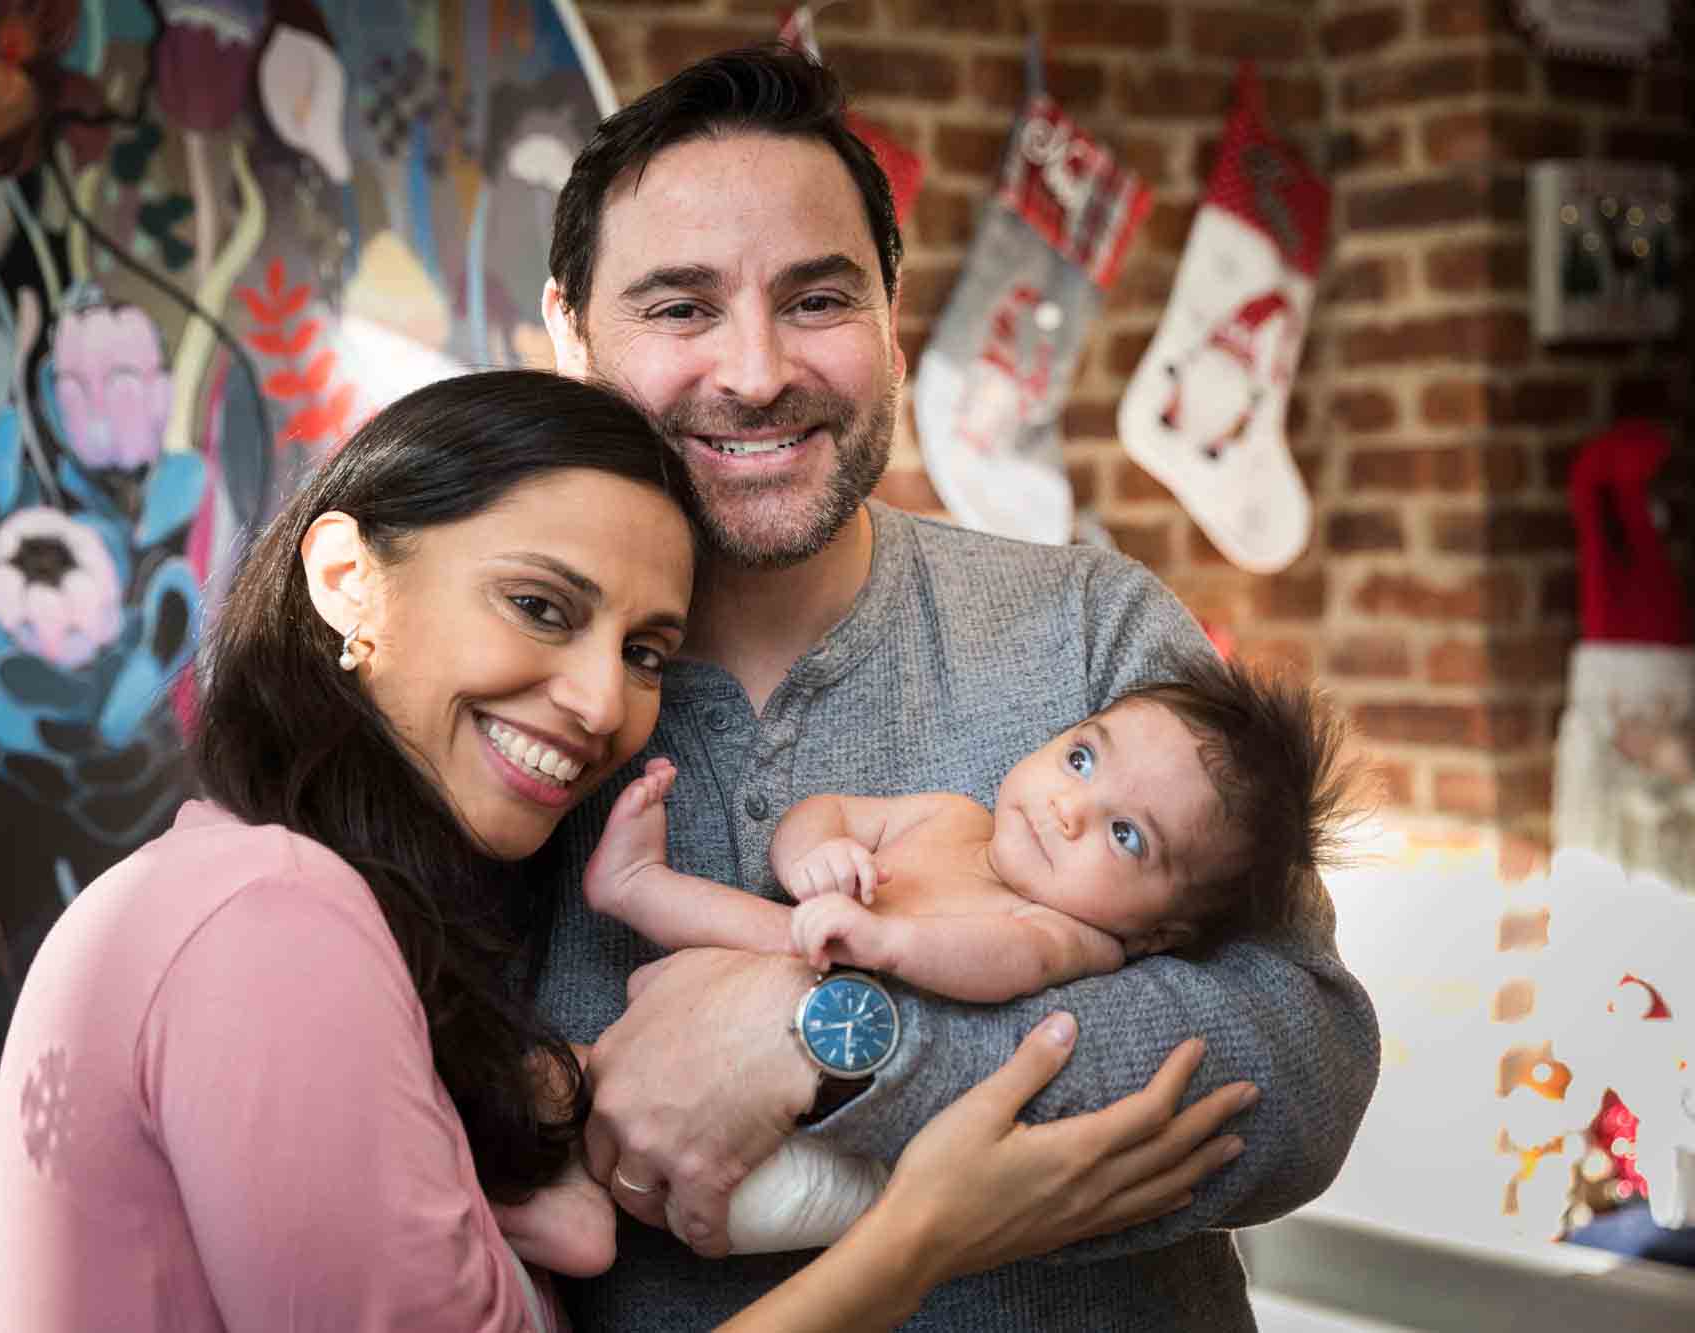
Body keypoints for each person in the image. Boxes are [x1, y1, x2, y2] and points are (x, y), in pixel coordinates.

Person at [0, 368, 1254, 1332]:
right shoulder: (272, 921)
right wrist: (922, 1232)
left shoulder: (306, 902)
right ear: (344, 578)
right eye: (539, 607)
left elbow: (1280, 1054)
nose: (601, 702)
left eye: (644, 651)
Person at [529, 43, 1383, 1330]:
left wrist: (821, 1037)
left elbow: (1295, 1065)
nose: (756, 371)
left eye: (818, 300)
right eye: (679, 308)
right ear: (568, 332)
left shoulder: (1090, 629)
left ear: (890, 309)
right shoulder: (506, 694)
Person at [574, 652, 1360, 1252]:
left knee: (801, 1194)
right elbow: (828, 809)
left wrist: (893, 941)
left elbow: (999, 960)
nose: (1067, 808)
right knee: (756, 942)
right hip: (787, 971)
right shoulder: (953, 817)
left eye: (1126, 835)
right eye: (1081, 759)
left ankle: (630, 1203)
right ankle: (636, 884)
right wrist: (812, 855)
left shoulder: (1069, 935)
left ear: (1157, 934)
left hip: (831, 1135)